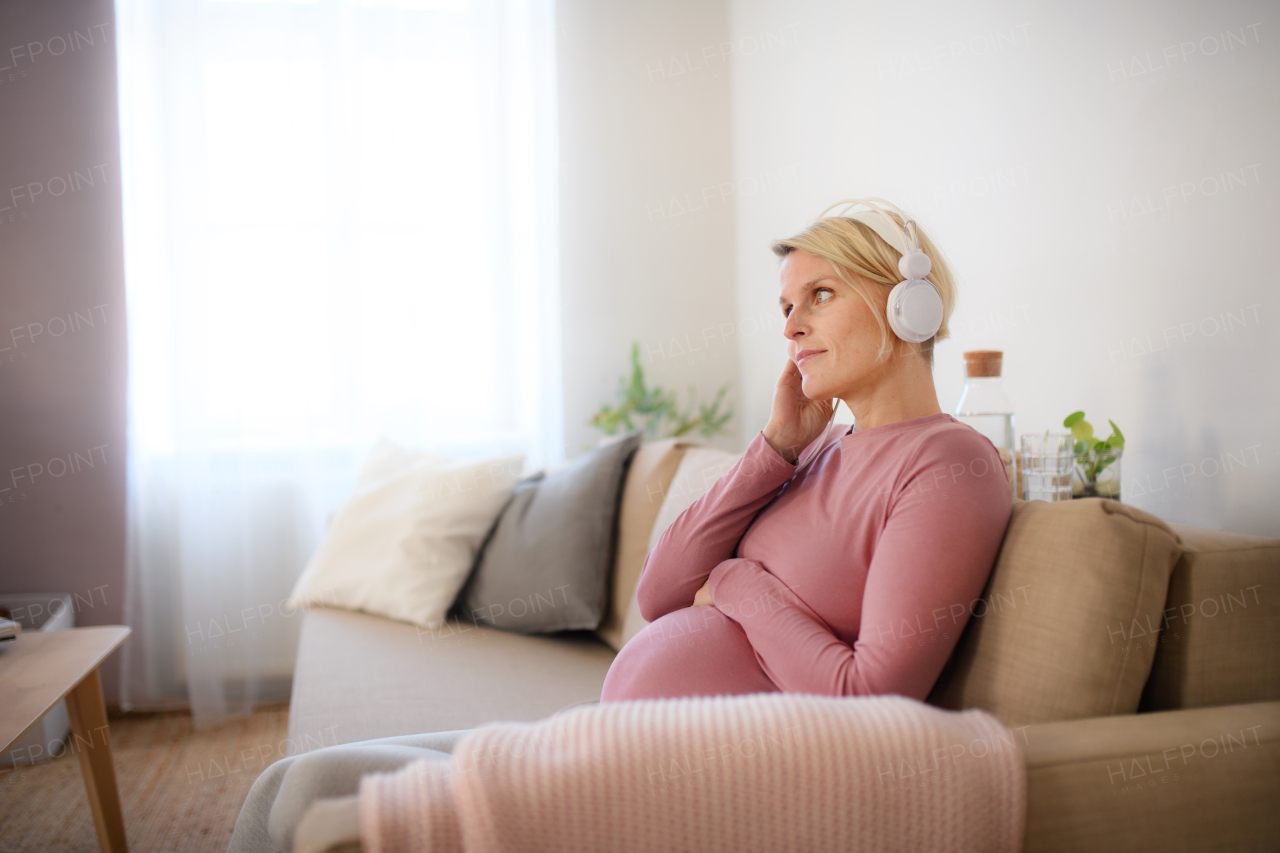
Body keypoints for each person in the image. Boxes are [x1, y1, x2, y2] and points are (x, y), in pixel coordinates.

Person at [600, 199, 1013, 703]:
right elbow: (657, 593)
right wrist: (775, 447)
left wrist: (733, 581)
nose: (791, 326)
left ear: (908, 305)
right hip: (639, 747)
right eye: (787, 306)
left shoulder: (947, 462)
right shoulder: (815, 449)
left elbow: (871, 695)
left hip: (746, 767)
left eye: (820, 294)